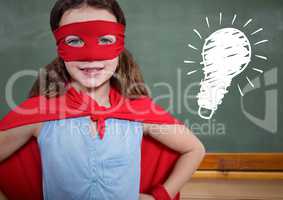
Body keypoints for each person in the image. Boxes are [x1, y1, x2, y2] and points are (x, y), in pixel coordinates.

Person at [0, 0, 206, 199]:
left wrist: (160, 197)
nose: (91, 56)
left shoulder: (138, 112)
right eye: (74, 41)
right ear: (59, 46)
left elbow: (194, 149)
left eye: (105, 40)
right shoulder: (39, 113)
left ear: (120, 44)